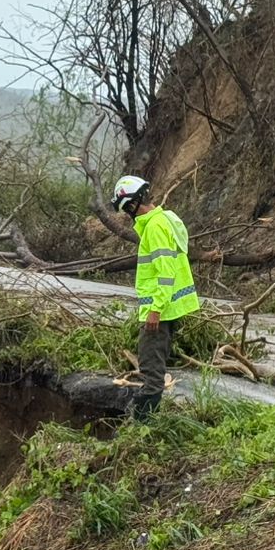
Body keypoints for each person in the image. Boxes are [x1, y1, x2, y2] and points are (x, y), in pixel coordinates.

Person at [112, 175, 200, 419]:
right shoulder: (164, 220)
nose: (128, 215)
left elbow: (166, 272)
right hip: (166, 308)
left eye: (125, 209)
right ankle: (147, 424)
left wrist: (155, 309)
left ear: (131, 205)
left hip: (159, 310)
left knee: (151, 369)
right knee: (154, 365)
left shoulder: (154, 226)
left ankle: (143, 430)